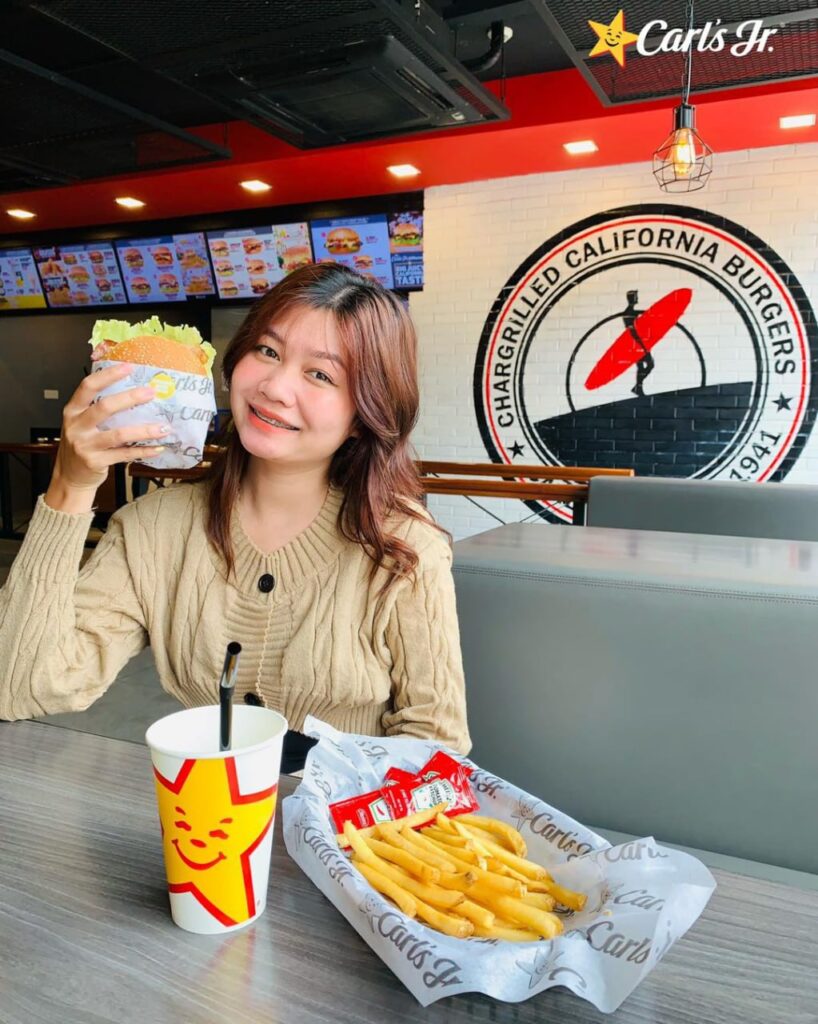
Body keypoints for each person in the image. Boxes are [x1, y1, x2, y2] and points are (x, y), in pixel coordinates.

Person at [0, 264, 471, 772]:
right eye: (267, 351)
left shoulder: (403, 548)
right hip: (203, 808)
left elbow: (435, 744)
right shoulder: (152, 529)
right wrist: (70, 487)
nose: (275, 386)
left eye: (320, 374)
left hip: (349, 814)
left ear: (365, 415)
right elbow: (21, 687)